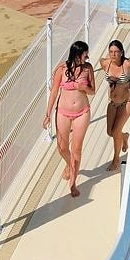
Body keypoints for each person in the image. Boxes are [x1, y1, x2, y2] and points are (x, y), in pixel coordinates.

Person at [43, 40, 95, 197]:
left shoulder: (88, 68)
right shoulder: (61, 69)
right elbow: (54, 92)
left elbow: (93, 91)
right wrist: (48, 114)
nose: (87, 57)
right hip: (63, 112)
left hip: (82, 113)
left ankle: (73, 183)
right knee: (62, 148)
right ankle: (70, 164)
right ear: (77, 55)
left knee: (76, 149)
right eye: (85, 55)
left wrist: (83, 87)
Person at [99, 40, 130, 172]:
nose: (113, 54)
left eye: (116, 52)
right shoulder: (105, 63)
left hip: (127, 102)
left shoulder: (127, 64)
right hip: (113, 103)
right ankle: (125, 136)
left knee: (116, 131)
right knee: (110, 132)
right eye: (111, 51)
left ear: (121, 52)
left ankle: (116, 160)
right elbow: (100, 60)